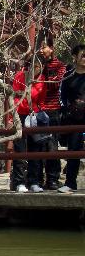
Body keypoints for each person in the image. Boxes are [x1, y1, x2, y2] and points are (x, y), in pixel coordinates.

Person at [10, 55, 47, 193]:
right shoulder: (20, 76)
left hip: (34, 115)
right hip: (20, 113)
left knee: (35, 149)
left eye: (39, 66)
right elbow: (13, 98)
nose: (36, 69)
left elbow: (42, 98)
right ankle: (19, 182)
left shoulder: (42, 79)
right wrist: (11, 118)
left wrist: (38, 111)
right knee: (20, 149)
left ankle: (34, 181)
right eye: (34, 65)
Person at [38, 39, 66, 190]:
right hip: (39, 109)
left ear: (52, 48)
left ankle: (52, 179)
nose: (41, 51)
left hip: (53, 109)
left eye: (44, 47)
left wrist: (43, 75)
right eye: (40, 48)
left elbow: (55, 84)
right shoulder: (37, 64)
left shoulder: (60, 65)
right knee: (38, 145)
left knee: (52, 145)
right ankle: (38, 178)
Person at [58, 44, 85, 194]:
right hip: (75, 118)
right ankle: (70, 183)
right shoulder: (68, 76)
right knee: (73, 150)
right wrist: (67, 110)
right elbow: (61, 98)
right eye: (83, 55)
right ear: (75, 57)